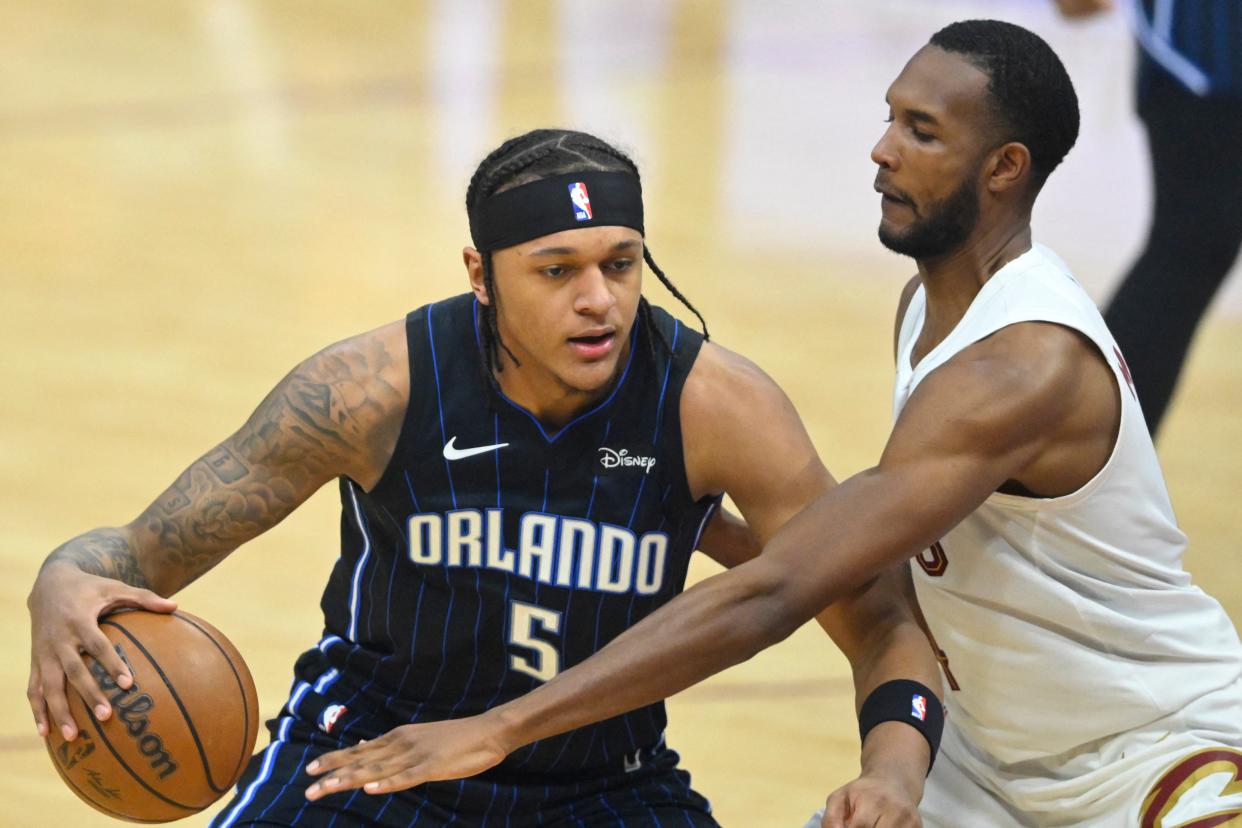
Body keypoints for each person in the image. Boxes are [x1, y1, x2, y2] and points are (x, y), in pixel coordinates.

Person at [304, 23, 1242, 827]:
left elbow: (785, 591)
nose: (881, 149)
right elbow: (874, 566)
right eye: (888, 117)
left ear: (1004, 169)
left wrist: (501, 727)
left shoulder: (1024, 366)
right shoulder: (929, 307)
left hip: (1150, 745)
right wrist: (690, 519)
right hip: (988, 762)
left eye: (920, 131)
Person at [27, 128, 943, 826]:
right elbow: (136, 554)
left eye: (621, 266)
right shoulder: (365, 391)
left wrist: (891, 772)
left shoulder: (719, 406)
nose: (599, 300)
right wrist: (61, 579)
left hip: (601, 782)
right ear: (480, 272)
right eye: (557, 271)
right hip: (365, 759)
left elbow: (880, 616)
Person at [1056, 0, 1242, 435]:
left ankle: (1073, 453)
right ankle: (1074, 452)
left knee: (1192, 248)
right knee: (1190, 246)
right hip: (1206, 48)